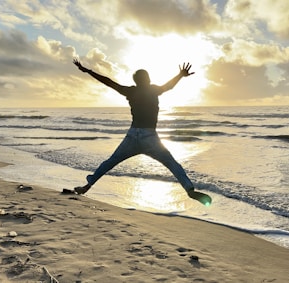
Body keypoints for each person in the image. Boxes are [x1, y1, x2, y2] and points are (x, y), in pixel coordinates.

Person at [72, 58, 211, 206]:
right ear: (148, 79)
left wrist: (88, 71)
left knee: (110, 162)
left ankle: (87, 186)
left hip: (132, 135)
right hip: (150, 137)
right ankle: (189, 190)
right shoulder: (153, 90)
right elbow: (169, 86)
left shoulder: (130, 91)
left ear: (136, 81)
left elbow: (109, 82)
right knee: (172, 164)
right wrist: (180, 75)